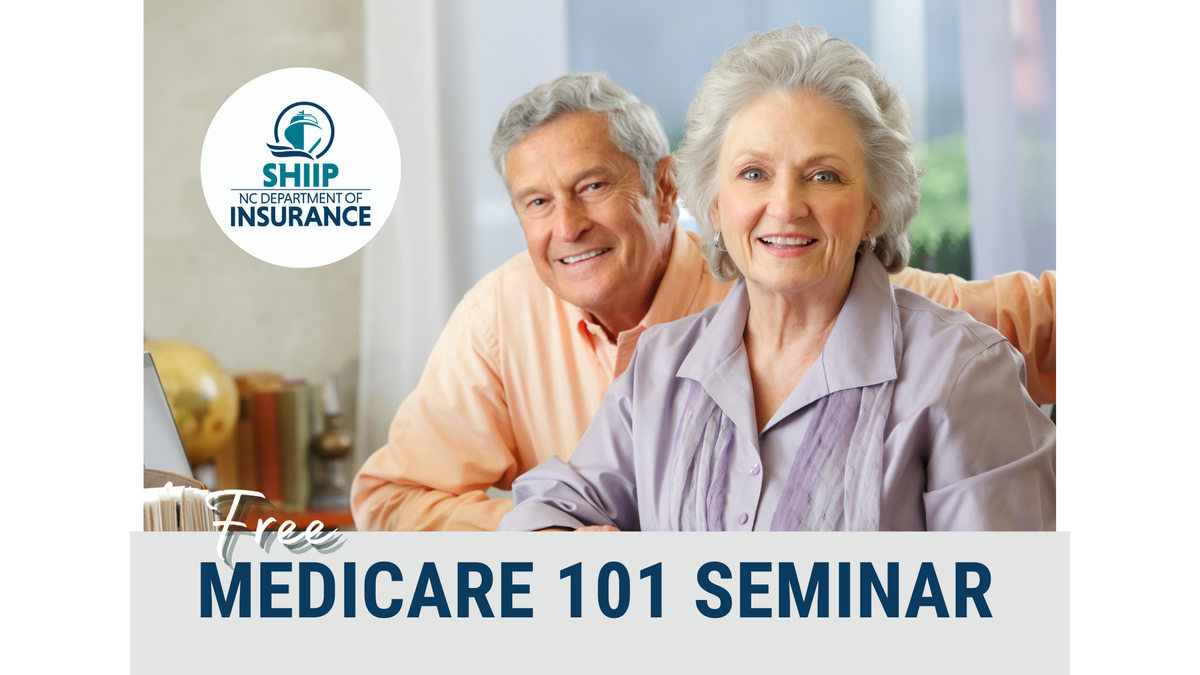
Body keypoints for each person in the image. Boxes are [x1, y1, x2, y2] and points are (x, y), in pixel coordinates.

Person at [352, 71, 1056, 532]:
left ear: (667, 191)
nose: (567, 225)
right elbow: (392, 497)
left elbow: (1022, 320)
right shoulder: (506, 319)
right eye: (537, 202)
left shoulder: (801, 270)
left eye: (593, 186)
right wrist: (567, 550)